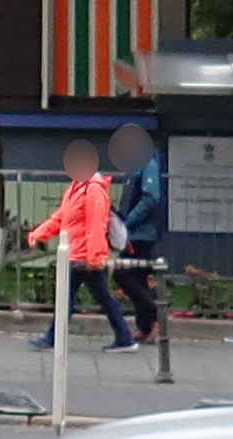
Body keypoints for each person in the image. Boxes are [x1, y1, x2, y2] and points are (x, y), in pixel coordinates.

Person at [27, 139, 136, 353]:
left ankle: (52, 339)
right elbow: (62, 217)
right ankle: (125, 338)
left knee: (68, 298)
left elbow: (96, 225)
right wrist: (39, 234)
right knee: (100, 298)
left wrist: (94, 258)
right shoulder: (77, 188)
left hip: (84, 257)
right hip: (78, 254)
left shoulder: (93, 190)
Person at [110, 122, 165, 344]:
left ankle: (156, 315)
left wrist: (128, 223)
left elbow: (151, 198)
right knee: (139, 279)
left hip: (141, 233)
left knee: (122, 273)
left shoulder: (147, 163)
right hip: (135, 232)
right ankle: (146, 327)